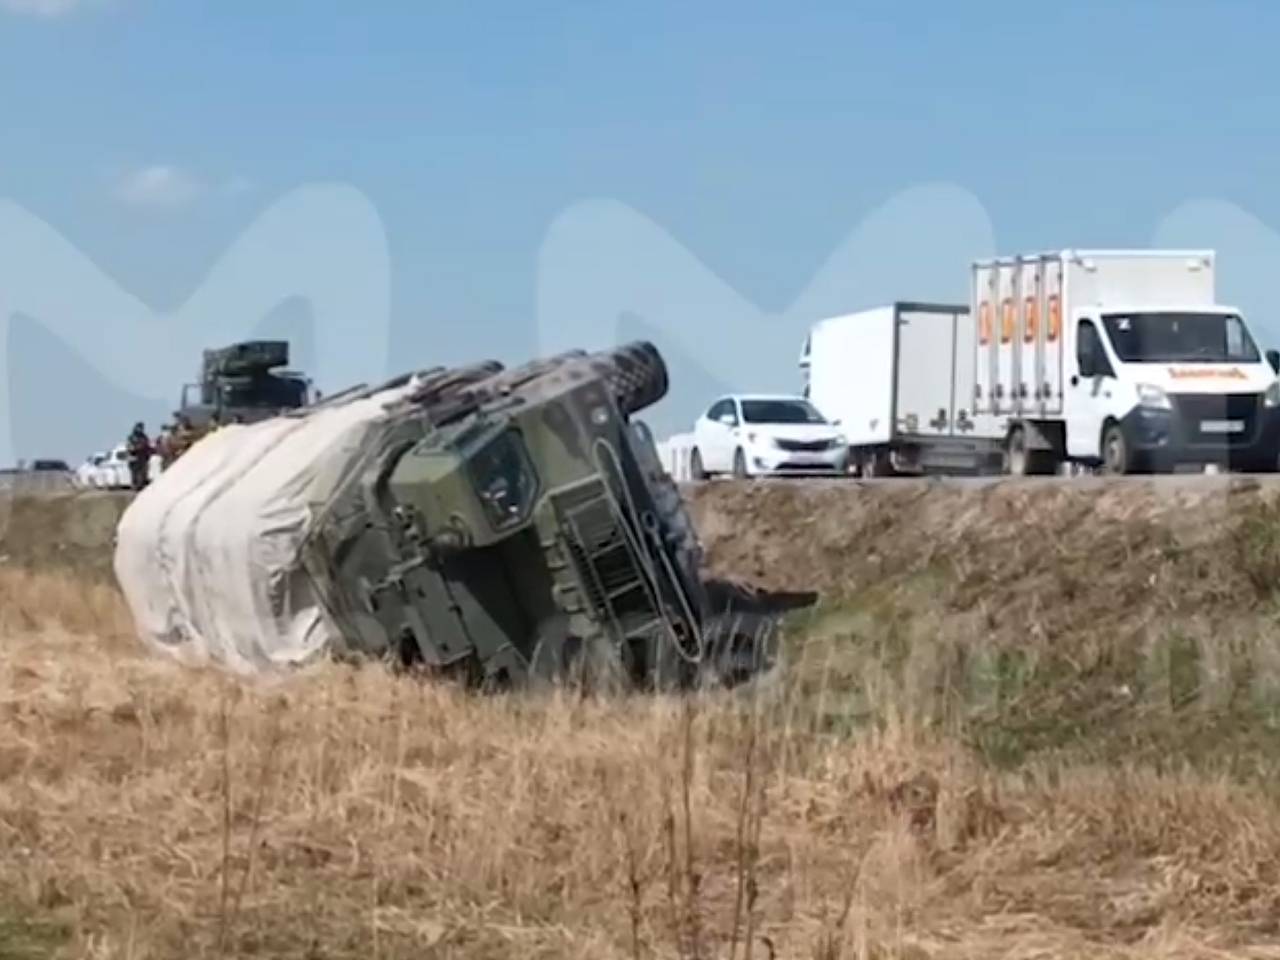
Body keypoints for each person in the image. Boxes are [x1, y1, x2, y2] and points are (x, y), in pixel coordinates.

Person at [126, 422, 152, 491]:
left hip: (143, 458)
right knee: (135, 474)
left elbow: (147, 446)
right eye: (139, 428)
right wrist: (135, 448)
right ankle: (135, 486)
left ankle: (141, 485)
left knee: (143, 473)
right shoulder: (131, 437)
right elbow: (129, 447)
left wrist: (148, 453)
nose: (140, 429)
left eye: (141, 428)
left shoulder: (144, 437)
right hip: (134, 458)